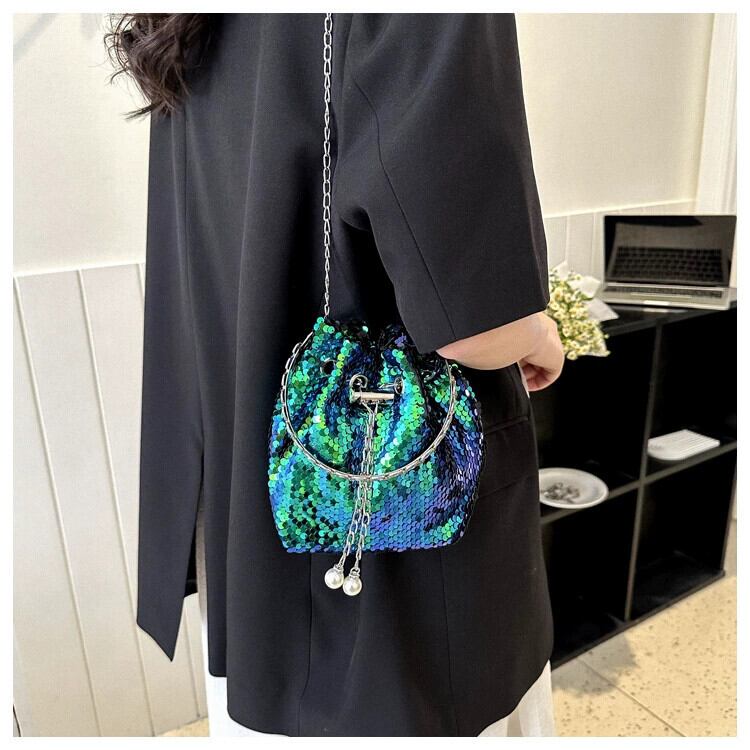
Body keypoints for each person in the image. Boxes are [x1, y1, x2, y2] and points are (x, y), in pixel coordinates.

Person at [110, 13, 564, 737]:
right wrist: (539, 335)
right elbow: (475, 320)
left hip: (242, 501)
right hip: (387, 543)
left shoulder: (187, 19)